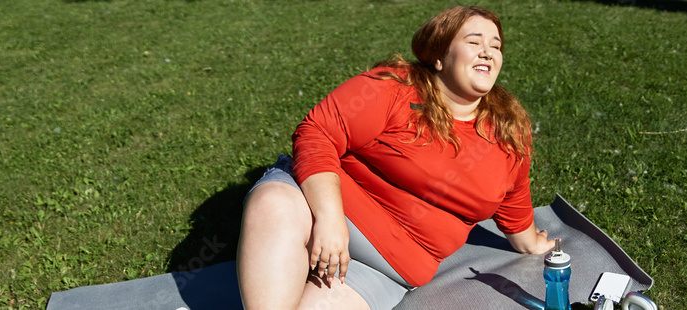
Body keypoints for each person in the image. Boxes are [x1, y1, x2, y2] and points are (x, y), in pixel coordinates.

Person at [237, 6, 558, 309]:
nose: (488, 51)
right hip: (316, 209)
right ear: (439, 57)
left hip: (384, 269)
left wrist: (531, 244)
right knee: (275, 203)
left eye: (496, 46)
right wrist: (330, 218)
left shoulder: (508, 128)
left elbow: (513, 195)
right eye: (474, 42)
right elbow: (317, 133)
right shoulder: (394, 88)